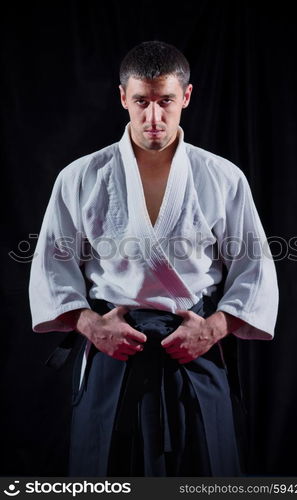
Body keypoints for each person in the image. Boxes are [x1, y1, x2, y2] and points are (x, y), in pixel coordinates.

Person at [29, 40, 278, 477]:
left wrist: (214, 329)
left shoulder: (222, 176)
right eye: (141, 101)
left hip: (193, 352)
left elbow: (254, 269)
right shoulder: (82, 175)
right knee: (104, 476)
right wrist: (91, 325)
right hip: (112, 350)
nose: (153, 117)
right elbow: (53, 265)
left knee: (205, 475)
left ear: (186, 96)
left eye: (166, 101)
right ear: (123, 97)